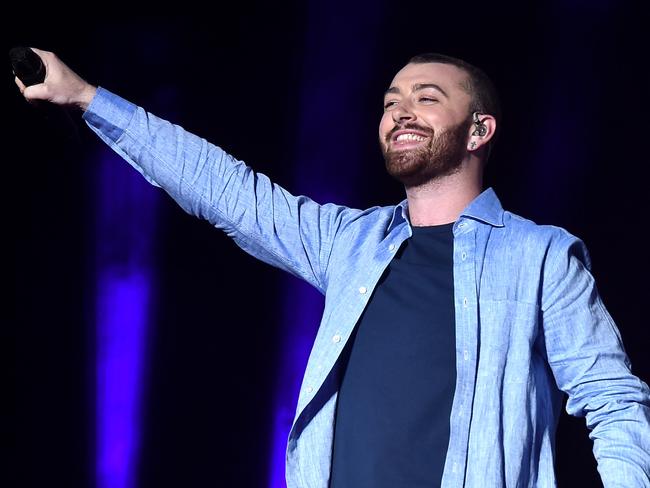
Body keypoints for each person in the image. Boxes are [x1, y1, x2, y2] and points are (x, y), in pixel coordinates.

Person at [15, 48, 650, 487]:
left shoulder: (540, 256)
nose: (400, 111)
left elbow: (613, 401)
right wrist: (85, 97)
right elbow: (227, 190)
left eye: (426, 99)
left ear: (479, 129)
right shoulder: (351, 242)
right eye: (390, 100)